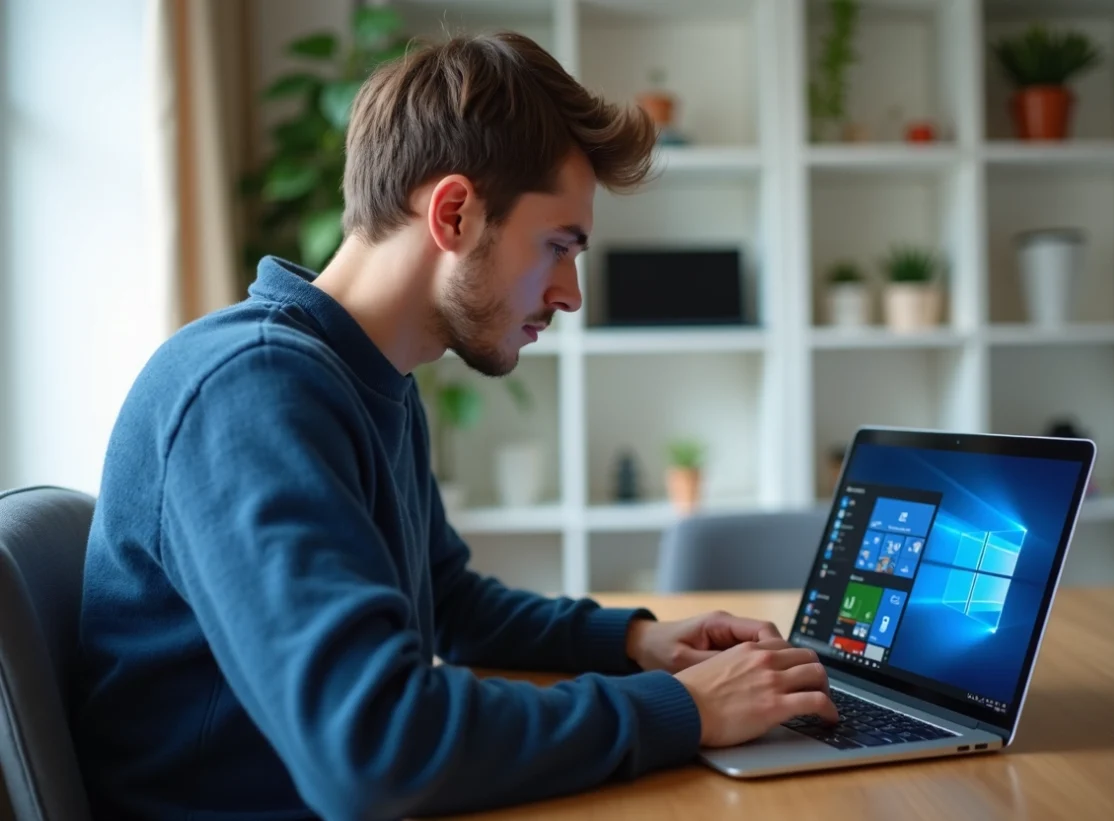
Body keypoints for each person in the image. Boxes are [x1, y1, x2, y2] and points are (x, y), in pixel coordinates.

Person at [70, 31, 837, 821]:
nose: (571, 294)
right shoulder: (252, 392)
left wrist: (636, 643)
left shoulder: (367, 378)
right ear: (455, 212)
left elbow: (449, 601)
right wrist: (683, 708)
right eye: (559, 246)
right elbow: (372, 747)